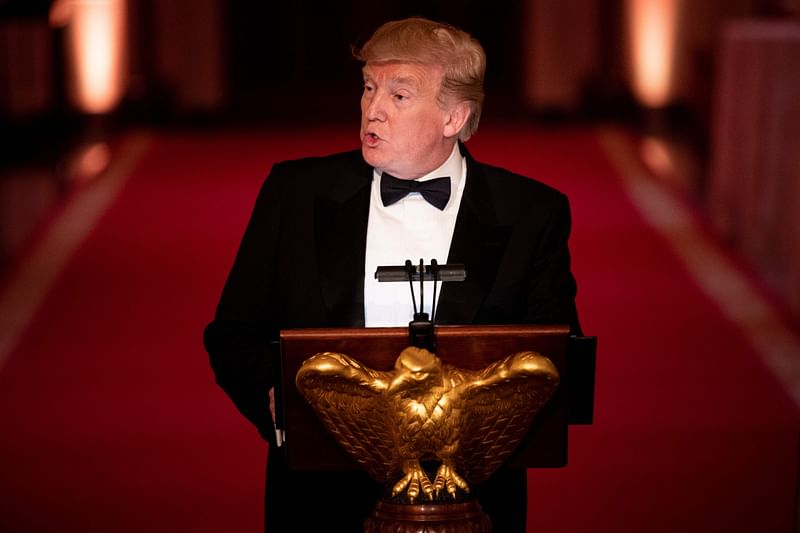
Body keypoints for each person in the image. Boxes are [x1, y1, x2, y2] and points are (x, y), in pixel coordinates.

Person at [204, 16, 581, 532]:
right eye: (368, 88)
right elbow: (233, 334)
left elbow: (559, 357)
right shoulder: (293, 194)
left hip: (476, 503)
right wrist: (276, 400)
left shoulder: (531, 212)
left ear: (454, 117)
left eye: (399, 96)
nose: (371, 109)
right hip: (318, 502)